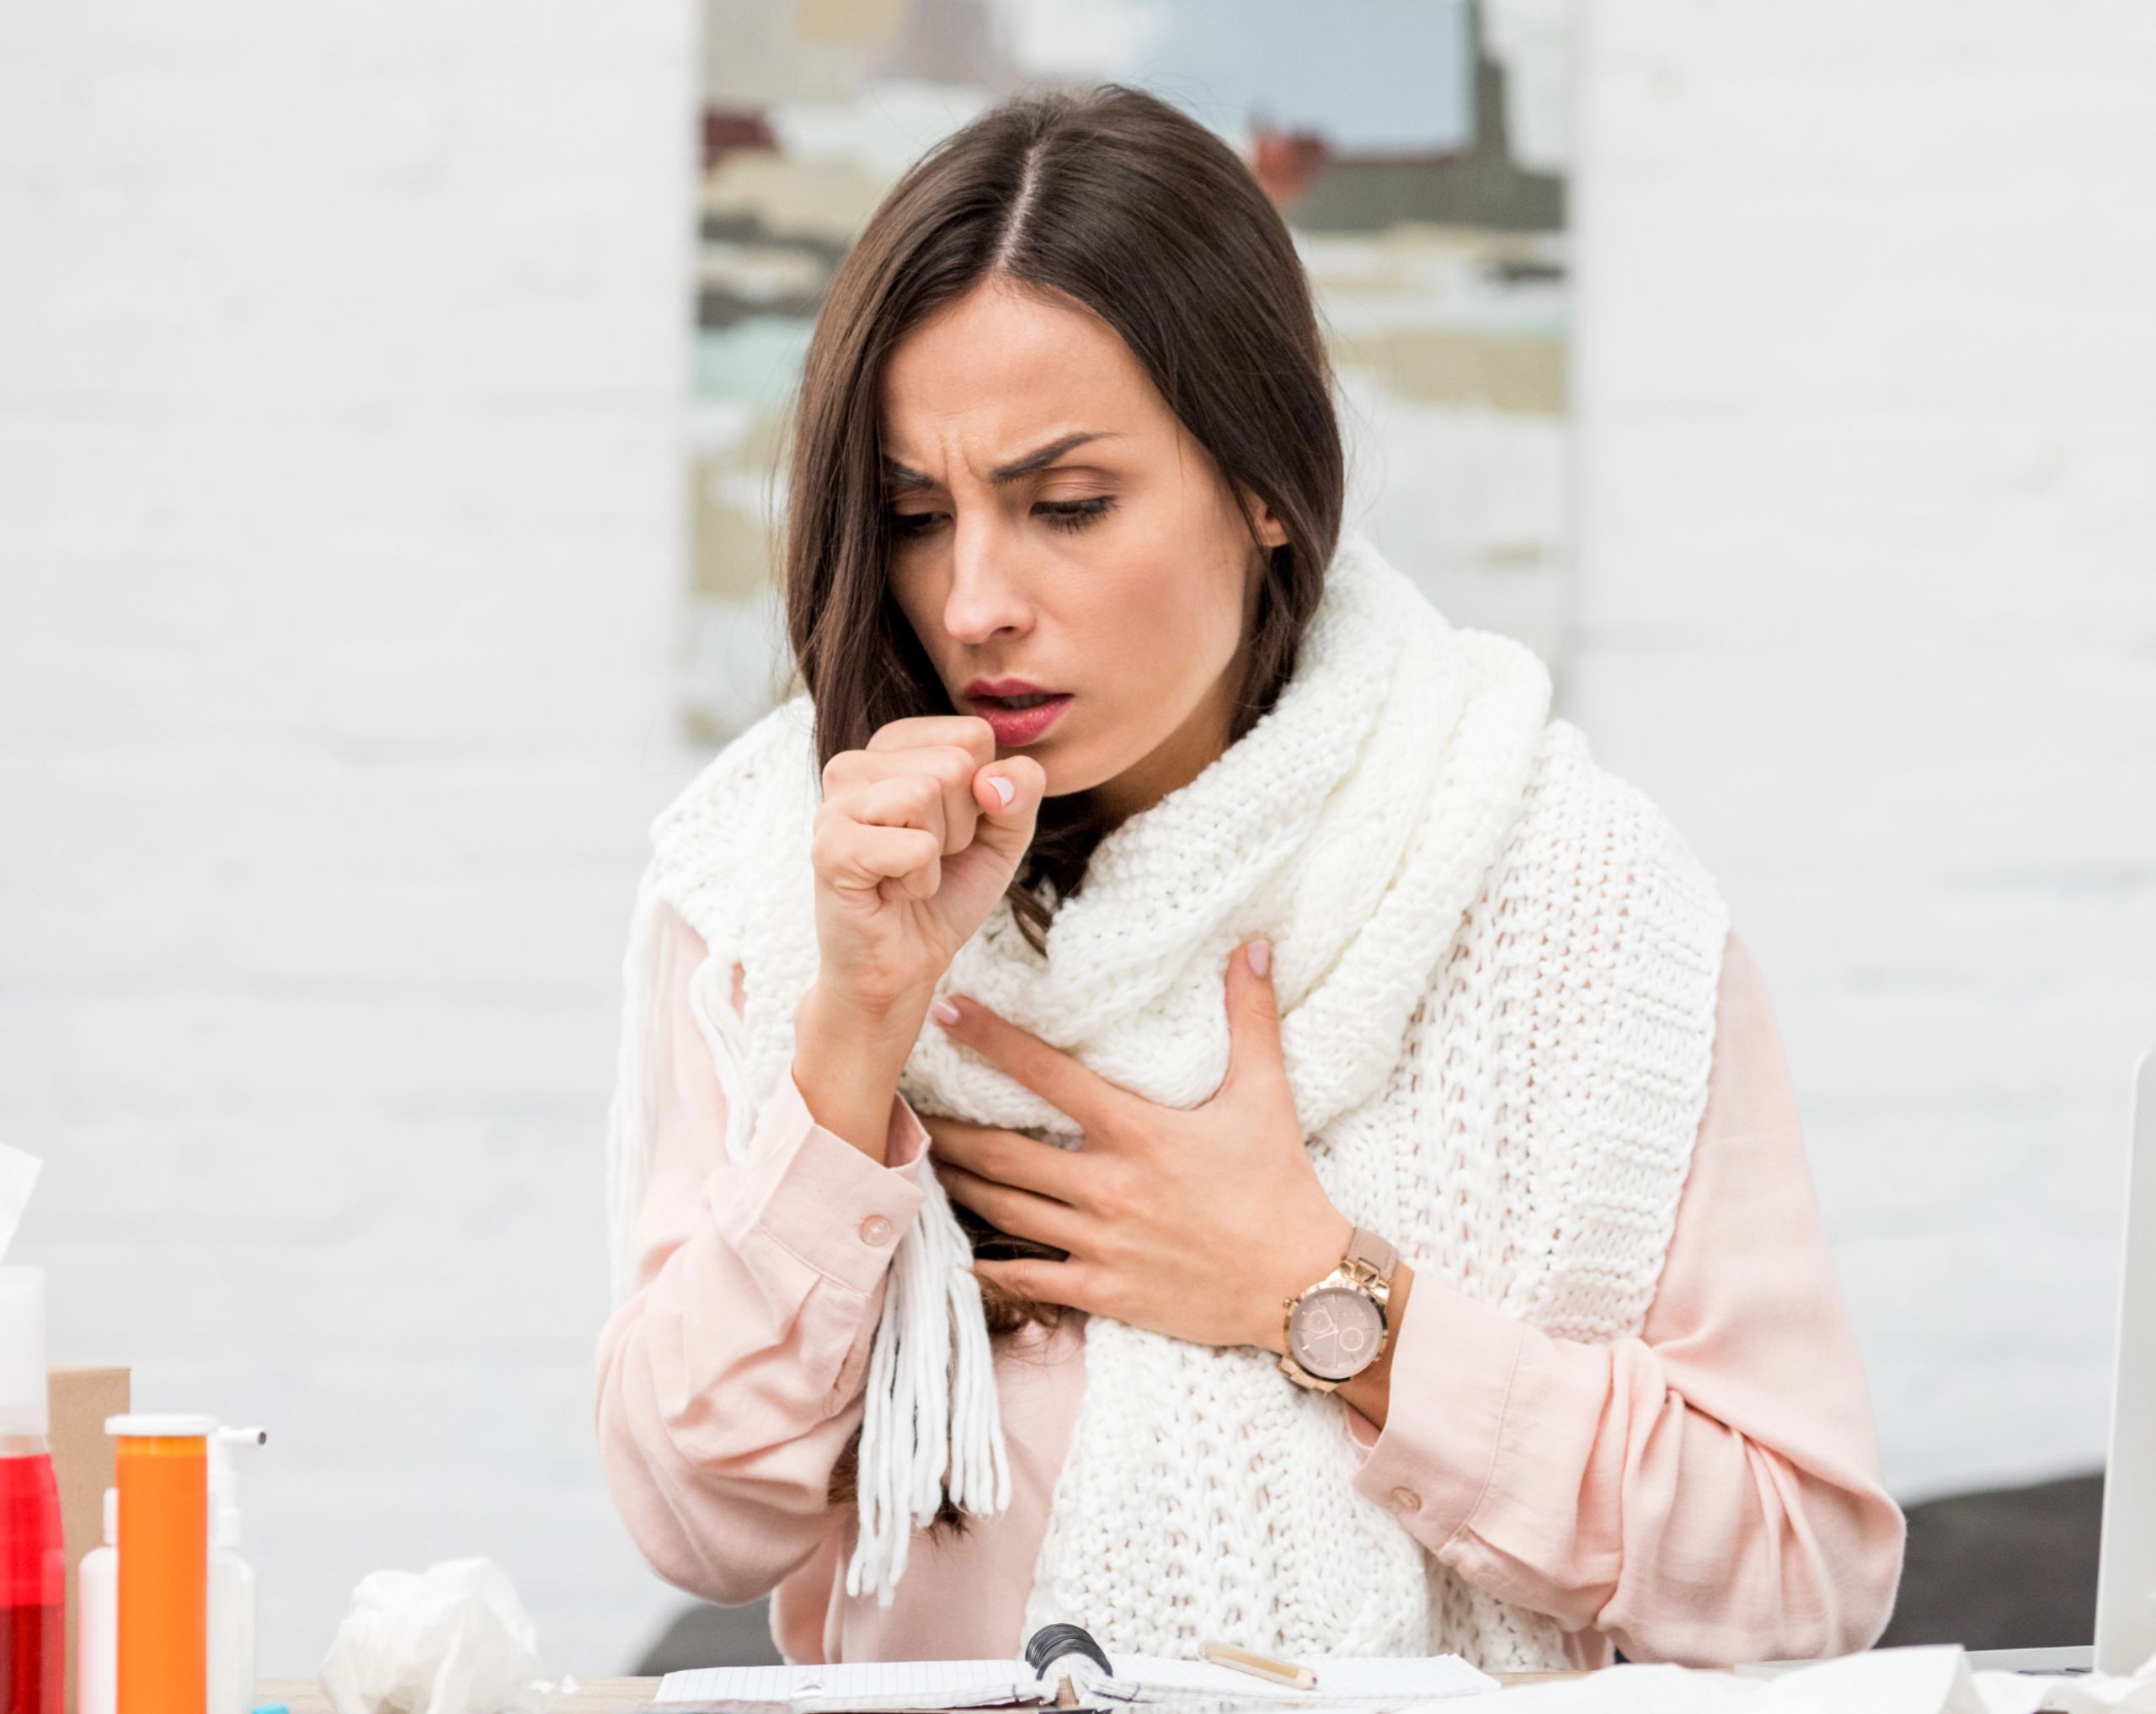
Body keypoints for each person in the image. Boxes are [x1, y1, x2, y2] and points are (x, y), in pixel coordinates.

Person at [593, 83, 1905, 1673]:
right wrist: (853, 1035)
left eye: (1067, 505)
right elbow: (698, 1521)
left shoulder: (1558, 892)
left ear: (1267, 486)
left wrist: (1313, 1290)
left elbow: (1797, 1572)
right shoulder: (770, 887)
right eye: (919, 516)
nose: (978, 600)